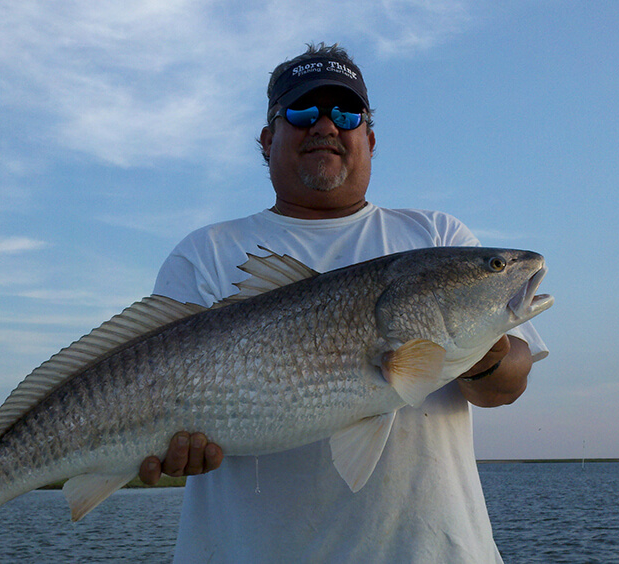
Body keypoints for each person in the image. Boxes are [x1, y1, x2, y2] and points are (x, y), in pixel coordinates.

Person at [138, 43, 548, 563]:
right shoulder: (207, 252)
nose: (326, 126)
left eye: (346, 113)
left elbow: (505, 387)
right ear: (268, 140)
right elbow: (144, 375)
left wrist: (489, 355)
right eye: (302, 112)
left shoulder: (435, 235)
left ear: (370, 140)